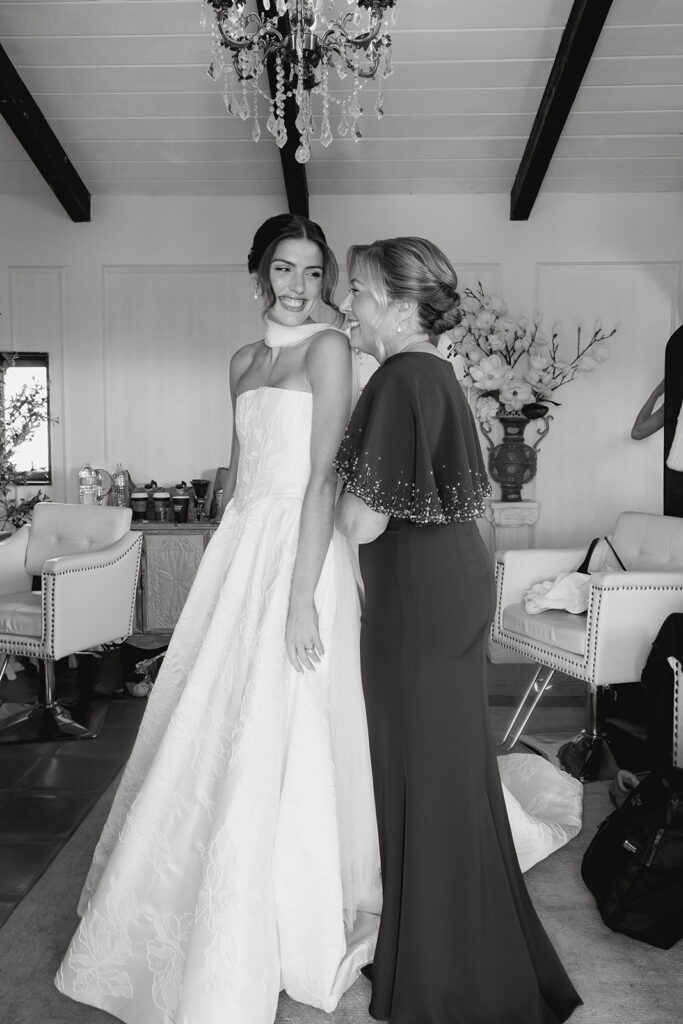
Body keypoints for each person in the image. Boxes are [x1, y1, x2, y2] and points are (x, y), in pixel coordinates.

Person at [54, 214, 382, 1024]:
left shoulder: (330, 350)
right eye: (283, 270)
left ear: (326, 278)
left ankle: (286, 901)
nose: (299, 287)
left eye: (313, 272)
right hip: (241, 551)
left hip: (300, 556)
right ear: (260, 276)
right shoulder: (242, 361)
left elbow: (319, 480)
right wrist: (218, 576)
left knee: (289, 713)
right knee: (216, 715)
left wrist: (301, 593)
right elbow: (238, 480)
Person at [333, 237, 582, 1024]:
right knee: (444, 779)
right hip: (447, 588)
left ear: (402, 306)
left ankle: (445, 979)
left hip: (413, 600)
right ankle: (441, 958)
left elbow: (363, 522)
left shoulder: (396, 379)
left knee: (420, 781)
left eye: (360, 293)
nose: (347, 306)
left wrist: (320, 496)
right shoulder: (434, 375)